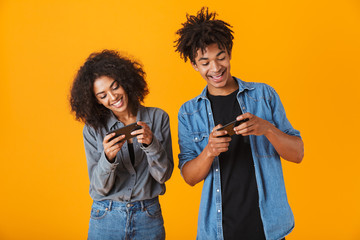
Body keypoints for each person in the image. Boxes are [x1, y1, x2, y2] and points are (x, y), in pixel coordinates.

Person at [174, 7, 304, 240]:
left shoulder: (264, 95)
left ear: (230, 53)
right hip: (219, 230)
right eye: (204, 62)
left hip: (269, 228)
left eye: (220, 57)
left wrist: (267, 129)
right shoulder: (188, 112)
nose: (215, 68)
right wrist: (209, 151)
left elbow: (297, 153)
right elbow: (189, 177)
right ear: (194, 65)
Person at [69, 49, 173, 240]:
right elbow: (98, 189)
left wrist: (152, 145)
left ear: (126, 82)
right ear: (96, 101)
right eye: (102, 95)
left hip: (148, 216)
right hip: (106, 216)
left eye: (115, 87)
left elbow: (163, 175)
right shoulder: (93, 130)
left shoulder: (158, 118)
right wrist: (107, 159)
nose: (113, 97)